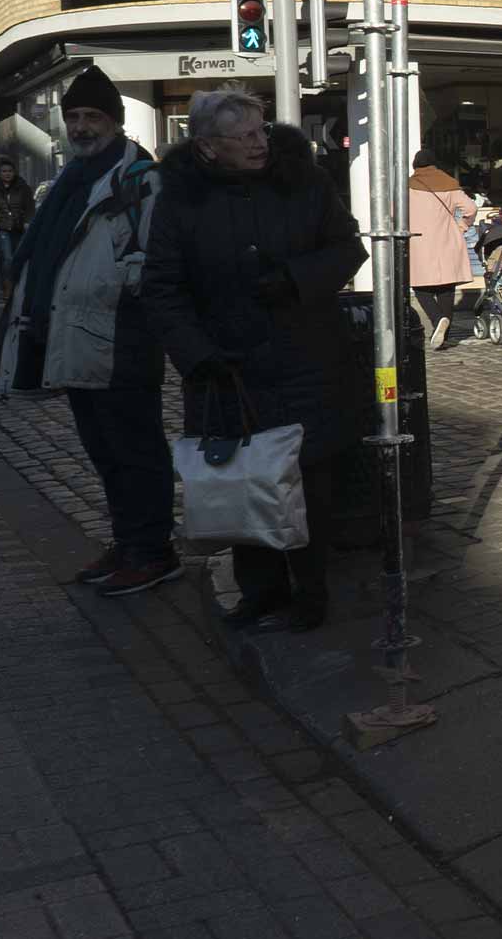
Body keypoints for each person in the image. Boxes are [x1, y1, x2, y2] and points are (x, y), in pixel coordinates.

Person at [143, 85, 367, 633]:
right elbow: (162, 288)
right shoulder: (179, 198)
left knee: (308, 485)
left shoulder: (302, 180)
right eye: (241, 136)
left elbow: (348, 246)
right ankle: (260, 593)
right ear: (206, 147)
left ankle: (311, 595)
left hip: (306, 361)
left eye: (260, 130)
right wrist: (197, 354)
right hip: (227, 371)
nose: (257, 142)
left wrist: (295, 278)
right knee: (242, 483)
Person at [0, 67, 177, 596]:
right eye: (73, 116)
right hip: (77, 337)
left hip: (121, 338)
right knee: (104, 451)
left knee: (135, 450)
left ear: (115, 122)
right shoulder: (72, 180)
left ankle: (153, 551)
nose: (80, 126)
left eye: (92, 116)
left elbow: (157, 259)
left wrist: (114, 283)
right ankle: (128, 542)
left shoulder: (140, 178)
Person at [407, 147, 476, 349]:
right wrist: (462, 225)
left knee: (420, 287)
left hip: (419, 243)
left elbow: (395, 213)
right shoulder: (450, 184)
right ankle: (444, 335)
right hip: (447, 241)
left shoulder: (408, 187)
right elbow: (471, 208)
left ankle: (438, 320)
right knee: (447, 287)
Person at [0, 158, 36, 286]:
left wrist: (27, 221)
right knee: (6, 257)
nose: (7, 173)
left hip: (19, 227)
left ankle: (19, 284)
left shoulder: (23, 188)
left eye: (10, 171)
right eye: (4, 171)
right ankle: (8, 285)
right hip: (1, 227)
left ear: (14, 172)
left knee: (20, 257)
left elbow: (30, 207)